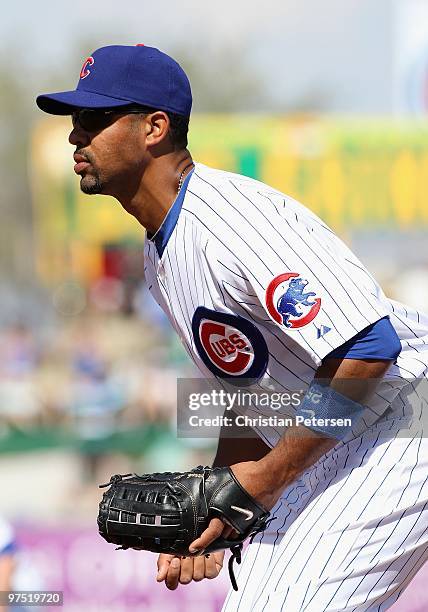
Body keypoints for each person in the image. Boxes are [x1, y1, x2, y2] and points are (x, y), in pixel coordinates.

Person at [36, 45, 428, 611]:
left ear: (154, 127)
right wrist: (218, 507)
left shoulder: (228, 221)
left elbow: (370, 347)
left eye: (95, 119)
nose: (76, 136)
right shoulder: (160, 255)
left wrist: (263, 481)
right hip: (352, 431)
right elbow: (250, 393)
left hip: (408, 421)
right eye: (74, 121)